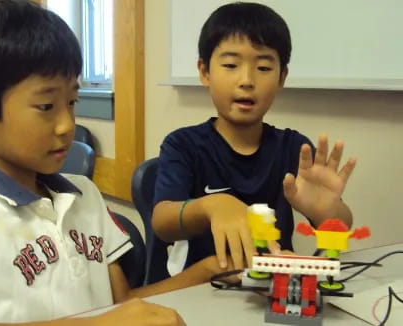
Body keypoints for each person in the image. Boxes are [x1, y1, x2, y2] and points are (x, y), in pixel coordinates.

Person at [0, 1, 231, 325]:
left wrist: (206, 272)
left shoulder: (84, 194)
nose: (68, 124)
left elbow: (120, 305)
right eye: (46, 106)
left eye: (72, 101)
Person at [151, 2, 356, 281]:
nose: (246, 80)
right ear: (204, 72)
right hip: (205, 288)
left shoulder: (295, 149)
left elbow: (340, 226)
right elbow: (162, 222)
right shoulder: (184, 145)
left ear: (282, 76)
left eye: (262, 67)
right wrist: (212, 205)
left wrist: (326, 211)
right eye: (231, 65)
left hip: (276, 289)